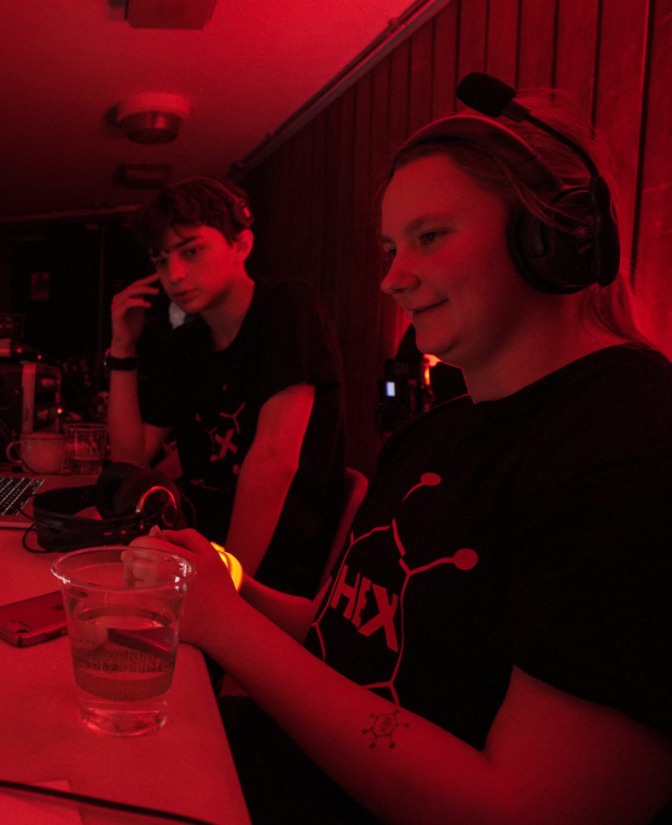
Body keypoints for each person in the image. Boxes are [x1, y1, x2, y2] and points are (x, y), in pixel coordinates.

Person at [136, 92, 672, 824]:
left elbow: (528, 807)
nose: (391, 276)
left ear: (552, 238)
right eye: (391, 248)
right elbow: (350, 641)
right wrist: (233, 592)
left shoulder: (631, 444)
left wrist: (227, 630)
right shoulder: (433, 433)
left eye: (429, 236)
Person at [108, 176, 346, 597]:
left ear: (241, 244)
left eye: (191, 251)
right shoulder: (185, 345)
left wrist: (226, 586)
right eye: (161, 261)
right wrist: (123, 349)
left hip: (272, 571)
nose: (175, 274)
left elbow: (275, 460)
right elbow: (131, 460)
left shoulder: (288, 307)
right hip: (197, 551)